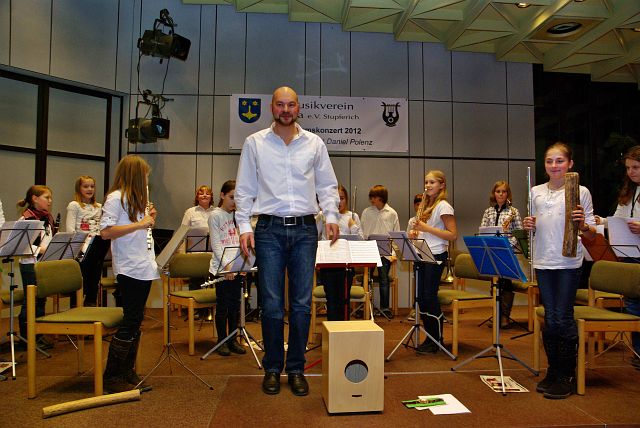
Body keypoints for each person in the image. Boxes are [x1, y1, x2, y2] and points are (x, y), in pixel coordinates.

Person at [235, 86, 339, 397]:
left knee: (302, 304)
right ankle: (271, 368)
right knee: (271, 304)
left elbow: (327, 184)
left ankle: (296, 369)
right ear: (272, 107)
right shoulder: (254, 143)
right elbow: (244, 188)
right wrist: (244, 225)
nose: (285, 110)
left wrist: (332, 215)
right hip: (268, 229)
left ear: (298, 107)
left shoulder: (314, 143)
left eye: (290, 104)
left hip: (306, 230)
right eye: (280, 104)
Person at [523, 142, 596, 399]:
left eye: (559, 161)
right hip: (543, 260)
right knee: (550, 317)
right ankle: (553, 371)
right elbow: (535, 226)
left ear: (570, 164)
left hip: (567, 262)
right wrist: (529, 225)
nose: (554, 166)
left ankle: (566, 375)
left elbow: (591, 233)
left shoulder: (580, 191)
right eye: (549, 161)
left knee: (563, 317)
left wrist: (583, 225)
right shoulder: (535, 191)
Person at [100, 155, 158, 393]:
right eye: (144, 175)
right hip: (129, 266)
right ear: (135, 175)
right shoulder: (115, 198)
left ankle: (127, 371)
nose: (146, 179)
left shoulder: (137, 200)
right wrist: (140, 224)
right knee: (131, 319)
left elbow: (141, 229)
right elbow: (106, 232)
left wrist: (149, 220)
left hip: (144, 265)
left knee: (136, 319)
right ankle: (112, 376)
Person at [409, 171, 457, 354]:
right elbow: (427, 231)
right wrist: (416, 233)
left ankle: (436, 339)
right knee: (421, 298)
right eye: (426, 182)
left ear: (442, 185)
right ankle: (430, 338)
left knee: (429, 296)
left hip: (436, 255)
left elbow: (452, 235)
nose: (428, 185)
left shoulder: (444, 206)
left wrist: (425, 228)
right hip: (423, 253)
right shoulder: (427, 205)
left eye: (432, 182)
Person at [609, 145, 640, 368]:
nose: (631, 172)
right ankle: (638, 352)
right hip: (630, 254)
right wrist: (601, 222)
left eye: (636, 167)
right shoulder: (629, 191)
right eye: (628, 168)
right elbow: (618, 217)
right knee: (633, 304)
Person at [208, 180, 246, 357]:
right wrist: (227, 267)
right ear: (222, 195)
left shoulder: (238, 216)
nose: (234, 202)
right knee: (223, 306)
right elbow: (216, 245)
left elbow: (241, 242)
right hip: (222, 268)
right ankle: (222, 340)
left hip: (237, 267)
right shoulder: (215, 215)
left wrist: (242, 265)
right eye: (232, 197)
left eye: (237, 198)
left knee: (235, 306)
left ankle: (232, 339)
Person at [17, 185, 57, 350]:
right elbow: (22, 245)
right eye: (47, 197)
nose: (50, 201)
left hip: (43, 265)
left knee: (41, 299)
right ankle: (26, 338)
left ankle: (37, 335)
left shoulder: (47, 218)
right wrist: (42, 250)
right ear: (34, 198)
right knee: (30, 301)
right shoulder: (26, 219)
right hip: (30, 265)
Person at [479, 180, 523, 328]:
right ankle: (496, 314)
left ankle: (505, 316)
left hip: (506, 250)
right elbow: (483, 230)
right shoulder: (488, 211)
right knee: (494, 282)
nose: (501, 194)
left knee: (506, 282)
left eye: (504, 191)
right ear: (494, 193)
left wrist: (508, 245)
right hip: (491, 250)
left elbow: (519, 232)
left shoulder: (513, 211)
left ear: (507, 194)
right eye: (498, 191)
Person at [318, 184, 363, 321]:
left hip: (346, 265)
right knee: (331, 300)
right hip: (328, 263)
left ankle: (344, 329)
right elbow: (315, 236)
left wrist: (353, 226)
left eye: (342, 198)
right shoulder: (323, 216)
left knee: (344, 300)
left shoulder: (352, 216)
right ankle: (332, 329)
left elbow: (361, 240)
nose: (338, 202)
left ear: (346, 199)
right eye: (335, 199)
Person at [66, 175, 110, 306]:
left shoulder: (99, 207)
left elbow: (101, 227)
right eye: (85, 186)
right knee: (80, 282)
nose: (89, 189)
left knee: (94, 279)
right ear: (79, 188)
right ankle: (75, 307)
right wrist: (80, 246)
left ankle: (90, 303)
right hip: (81, 249)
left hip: (95, 246)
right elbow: (70, 230)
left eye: (92, 186)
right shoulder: (74, 205)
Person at [361, 184, 400, 318]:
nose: (372, 199)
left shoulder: (392, 213)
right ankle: (365, 307)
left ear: (381, 198)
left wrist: (393, 253)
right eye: (371, 197)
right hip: (369, 251)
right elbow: (362, 232)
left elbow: (395, 235)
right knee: (366, 279)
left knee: (384, 279)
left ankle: (385, 308)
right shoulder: (366, 212)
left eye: (374, 197)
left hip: (385, 252)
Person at [181, 185, 215, 318]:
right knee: (196, 281)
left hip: (213, 254)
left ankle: (212, 309)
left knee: (216, 281)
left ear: (211, 196)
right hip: (196, 255)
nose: (204, 195)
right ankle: (196, 310)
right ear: (197, 197)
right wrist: (183, 256)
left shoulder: (217, 212)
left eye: (207, 193)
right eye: (201, 193)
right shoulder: (190, 212)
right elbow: (183, 233)